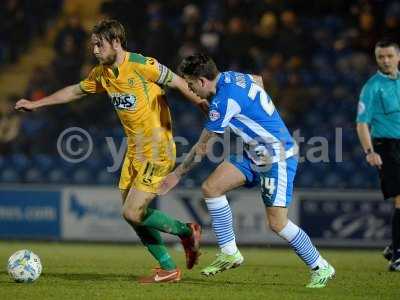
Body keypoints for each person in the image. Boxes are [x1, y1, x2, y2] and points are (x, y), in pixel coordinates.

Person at [15, 19, 207, 284]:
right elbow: (74, 91)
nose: (94, 50)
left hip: (158, 148)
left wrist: (202, 104)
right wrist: (37, 104)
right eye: (92, 45)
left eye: (99, 44)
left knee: (131, 212)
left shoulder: (142, 64)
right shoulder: (103, 73)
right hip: (133, 152)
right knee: (132, 216)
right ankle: (167, 267)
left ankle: (186, 232)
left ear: (116, 42)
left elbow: (176, 81)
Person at [159, 53, 335, 288]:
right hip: (254, 153)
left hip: (277, 156)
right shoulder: (233, 77)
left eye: (191, 85)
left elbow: (202, 148)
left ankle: (321, 266)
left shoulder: (222, 102)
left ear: (202, 81)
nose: (191, 90)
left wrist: (176, 175)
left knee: (278, 224)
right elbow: (258, 80)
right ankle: (230, 252)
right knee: (211, 188)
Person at [356, 39, 400, 272]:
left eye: (389, 56)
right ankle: (398, 257)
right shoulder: (372, 87)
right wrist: (370, 151)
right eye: (381, 57)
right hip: (386, 147)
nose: (385, 60)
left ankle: (395, 247)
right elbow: (362, 123)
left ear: (398, 57)